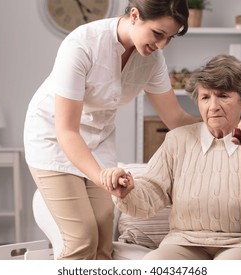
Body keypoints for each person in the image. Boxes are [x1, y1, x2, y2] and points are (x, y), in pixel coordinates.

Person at [23, 0, 196, 260]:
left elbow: (175, 118)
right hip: (55, 140)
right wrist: (101, 176)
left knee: (104, 243)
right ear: (135, 16)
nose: (161, 45)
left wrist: (229, 127)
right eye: (158, 34)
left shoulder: (152, 61)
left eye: (169, 38)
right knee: (82, 238)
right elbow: (67, 130)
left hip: (99, 141)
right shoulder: (82, 44)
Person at [102, 54, 241, 260]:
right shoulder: (178, 140)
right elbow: (152, 192)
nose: (213, 107)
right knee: (154, 265)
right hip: (186, 240)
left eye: (223, 95)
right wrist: (128, 190)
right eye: (205, 97)